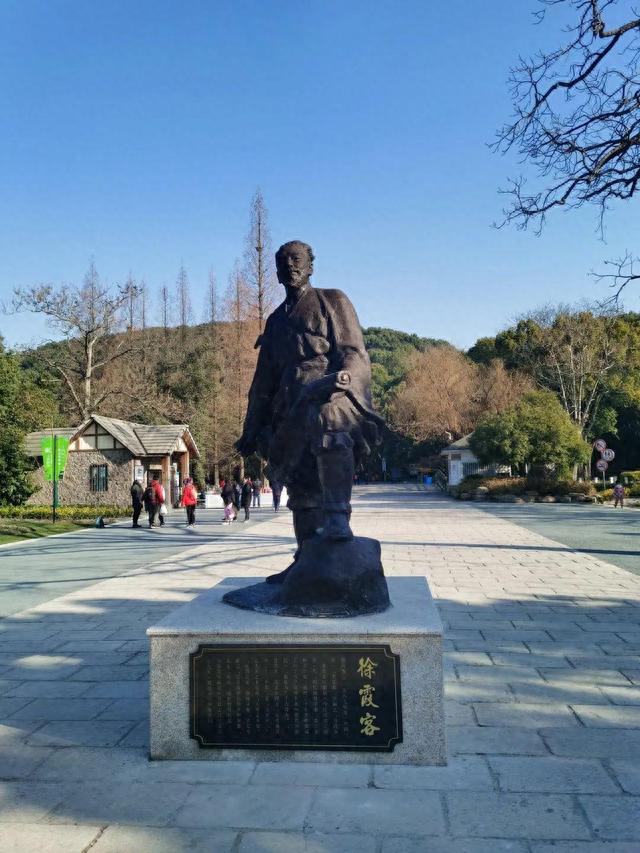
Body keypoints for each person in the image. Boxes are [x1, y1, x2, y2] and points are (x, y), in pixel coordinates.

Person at [236, 240, 383, 573]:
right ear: (275, 272)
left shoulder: (332, 301)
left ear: (311, 265)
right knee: (297, 479)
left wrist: (343, 379)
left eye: (297, 259)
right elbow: (262, 384)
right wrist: (251, 429)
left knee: (328, 420)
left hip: (330, 394)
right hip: (288, 405)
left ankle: (337, 517)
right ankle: (305, 558)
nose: (290, 265)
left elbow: (353, 352)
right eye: (283, 261)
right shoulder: (275, 322)